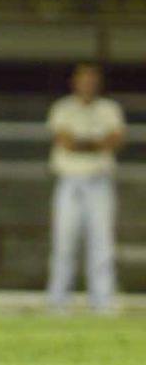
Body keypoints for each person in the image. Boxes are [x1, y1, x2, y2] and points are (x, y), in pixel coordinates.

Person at [46, 63, 125, 312]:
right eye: (83, 79)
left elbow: (114, 140)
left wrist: (83, 143)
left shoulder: (109, 109)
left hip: (99, 182)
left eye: (92, 80)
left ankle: (103, 302)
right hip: (70, 181)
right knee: (64, 242)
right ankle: (58, 301)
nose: (88, 84)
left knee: (102, 243)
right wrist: (95, 143)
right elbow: (65, 141)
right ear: (75, 82)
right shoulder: (63, 108)